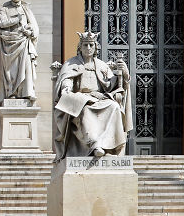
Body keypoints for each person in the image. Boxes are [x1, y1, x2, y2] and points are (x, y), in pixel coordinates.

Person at [54, 31, 133, 160]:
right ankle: (95, 144)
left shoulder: (102, 65)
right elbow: (66, 81)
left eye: (91, 45)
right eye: (85, 45)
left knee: (114, 106)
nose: (88, 48)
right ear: (80, 47)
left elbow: (113, 85)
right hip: (81, 99)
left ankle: (109, 145)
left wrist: (124, 74)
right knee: (84, 109)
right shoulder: (71, 64)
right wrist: (66, 87)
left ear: (95, 47)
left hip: (99, 99)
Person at [0, 0, 39, 101]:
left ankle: (27, 92)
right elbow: (2, 23)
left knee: (26, 67)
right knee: (12, 69)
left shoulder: (26, 9)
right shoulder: (4, 9)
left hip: (24, 41)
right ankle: (12, 92)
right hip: (10, 43)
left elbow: (34, 28)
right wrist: (17, 19)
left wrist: (29, 31)